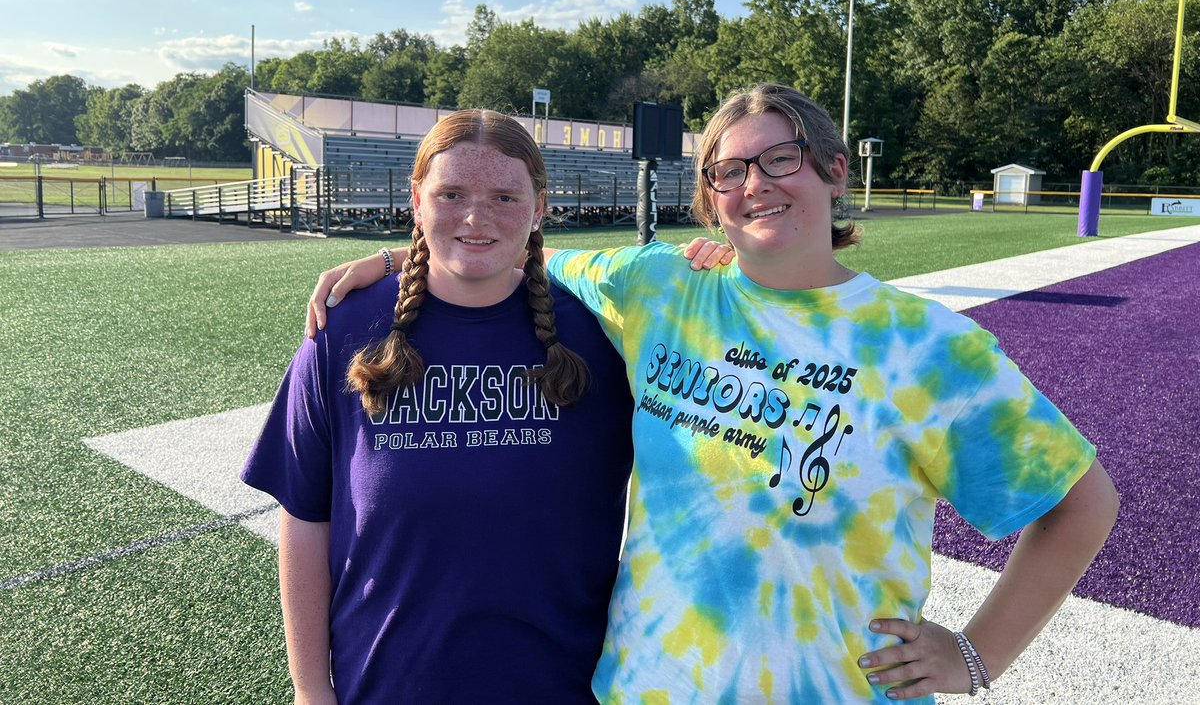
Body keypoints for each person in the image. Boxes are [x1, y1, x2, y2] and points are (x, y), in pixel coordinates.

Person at [308, 84, 1119, 703]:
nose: (754, 184)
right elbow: (501, 248)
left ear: (835, 171)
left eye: (780, 158)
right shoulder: (660, 285)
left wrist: (975, 657)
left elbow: (1082, 503)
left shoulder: (926, 348)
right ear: (709, 198)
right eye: (727, 171)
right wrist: (395, 258)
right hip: (645, 685)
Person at [243, 110, 648, 704]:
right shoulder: (342, 329)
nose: (476, 218)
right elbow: (305, 519)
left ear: (540, 207)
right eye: (450, 194)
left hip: (566, 686)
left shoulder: (606, 335)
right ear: (416, 199)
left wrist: (711, 262)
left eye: (506, 196)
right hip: (383, 687)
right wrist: (310, 689)